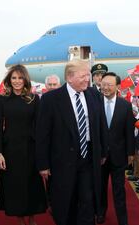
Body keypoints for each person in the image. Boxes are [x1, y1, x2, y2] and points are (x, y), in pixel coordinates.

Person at [36, 59, 107, 225]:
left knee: (87, 201)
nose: (87, 80)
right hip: (61, 161)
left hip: (88, 157)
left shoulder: (94, 95)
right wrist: (43, 164)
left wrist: (103, 151)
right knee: (65, 203)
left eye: (87, 76)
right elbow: (42, 134)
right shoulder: (51, 99)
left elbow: (101, 124)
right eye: (83, 76)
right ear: (69, 77)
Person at [0, 64, 47, 225]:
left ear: (25, 79)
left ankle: (32, 219)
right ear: (9, 80)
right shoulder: (2, 99)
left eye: (20, 77)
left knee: (31, 186)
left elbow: (39, 127)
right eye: (14, 78)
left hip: (30, 149)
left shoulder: (34, 99)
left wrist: (41, 153)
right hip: (10, 151)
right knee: (14, 187)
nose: (17, 81)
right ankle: (20, 220)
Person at [97, 72, 135, 225]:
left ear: (118, 87)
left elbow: (129, 131)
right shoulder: (95, 103)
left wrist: (130, 152)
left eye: (109, 85)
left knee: (119, 189)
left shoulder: (125, 105)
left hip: (119, 155)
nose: (105, 88)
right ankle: (100, 213)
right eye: (103, 84)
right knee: (100, 187)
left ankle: (122, 219)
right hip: (99, 155)